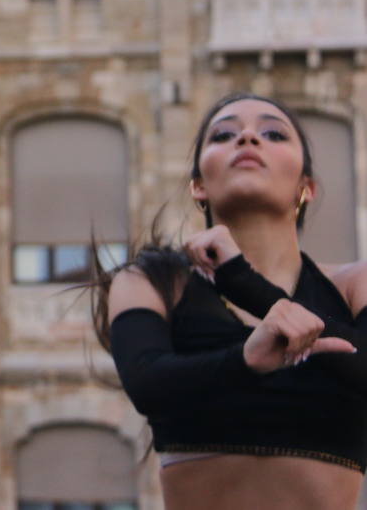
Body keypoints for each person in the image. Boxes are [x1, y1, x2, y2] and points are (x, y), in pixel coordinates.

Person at [95, 92, 367, 509]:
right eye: (223, 134)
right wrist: (245, 359)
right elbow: (148, 384)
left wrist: (243, 283)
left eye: (273, 133)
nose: (247, 138)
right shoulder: (151, 280)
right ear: (199, 186)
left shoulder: (354, 284)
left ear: (305, 188)